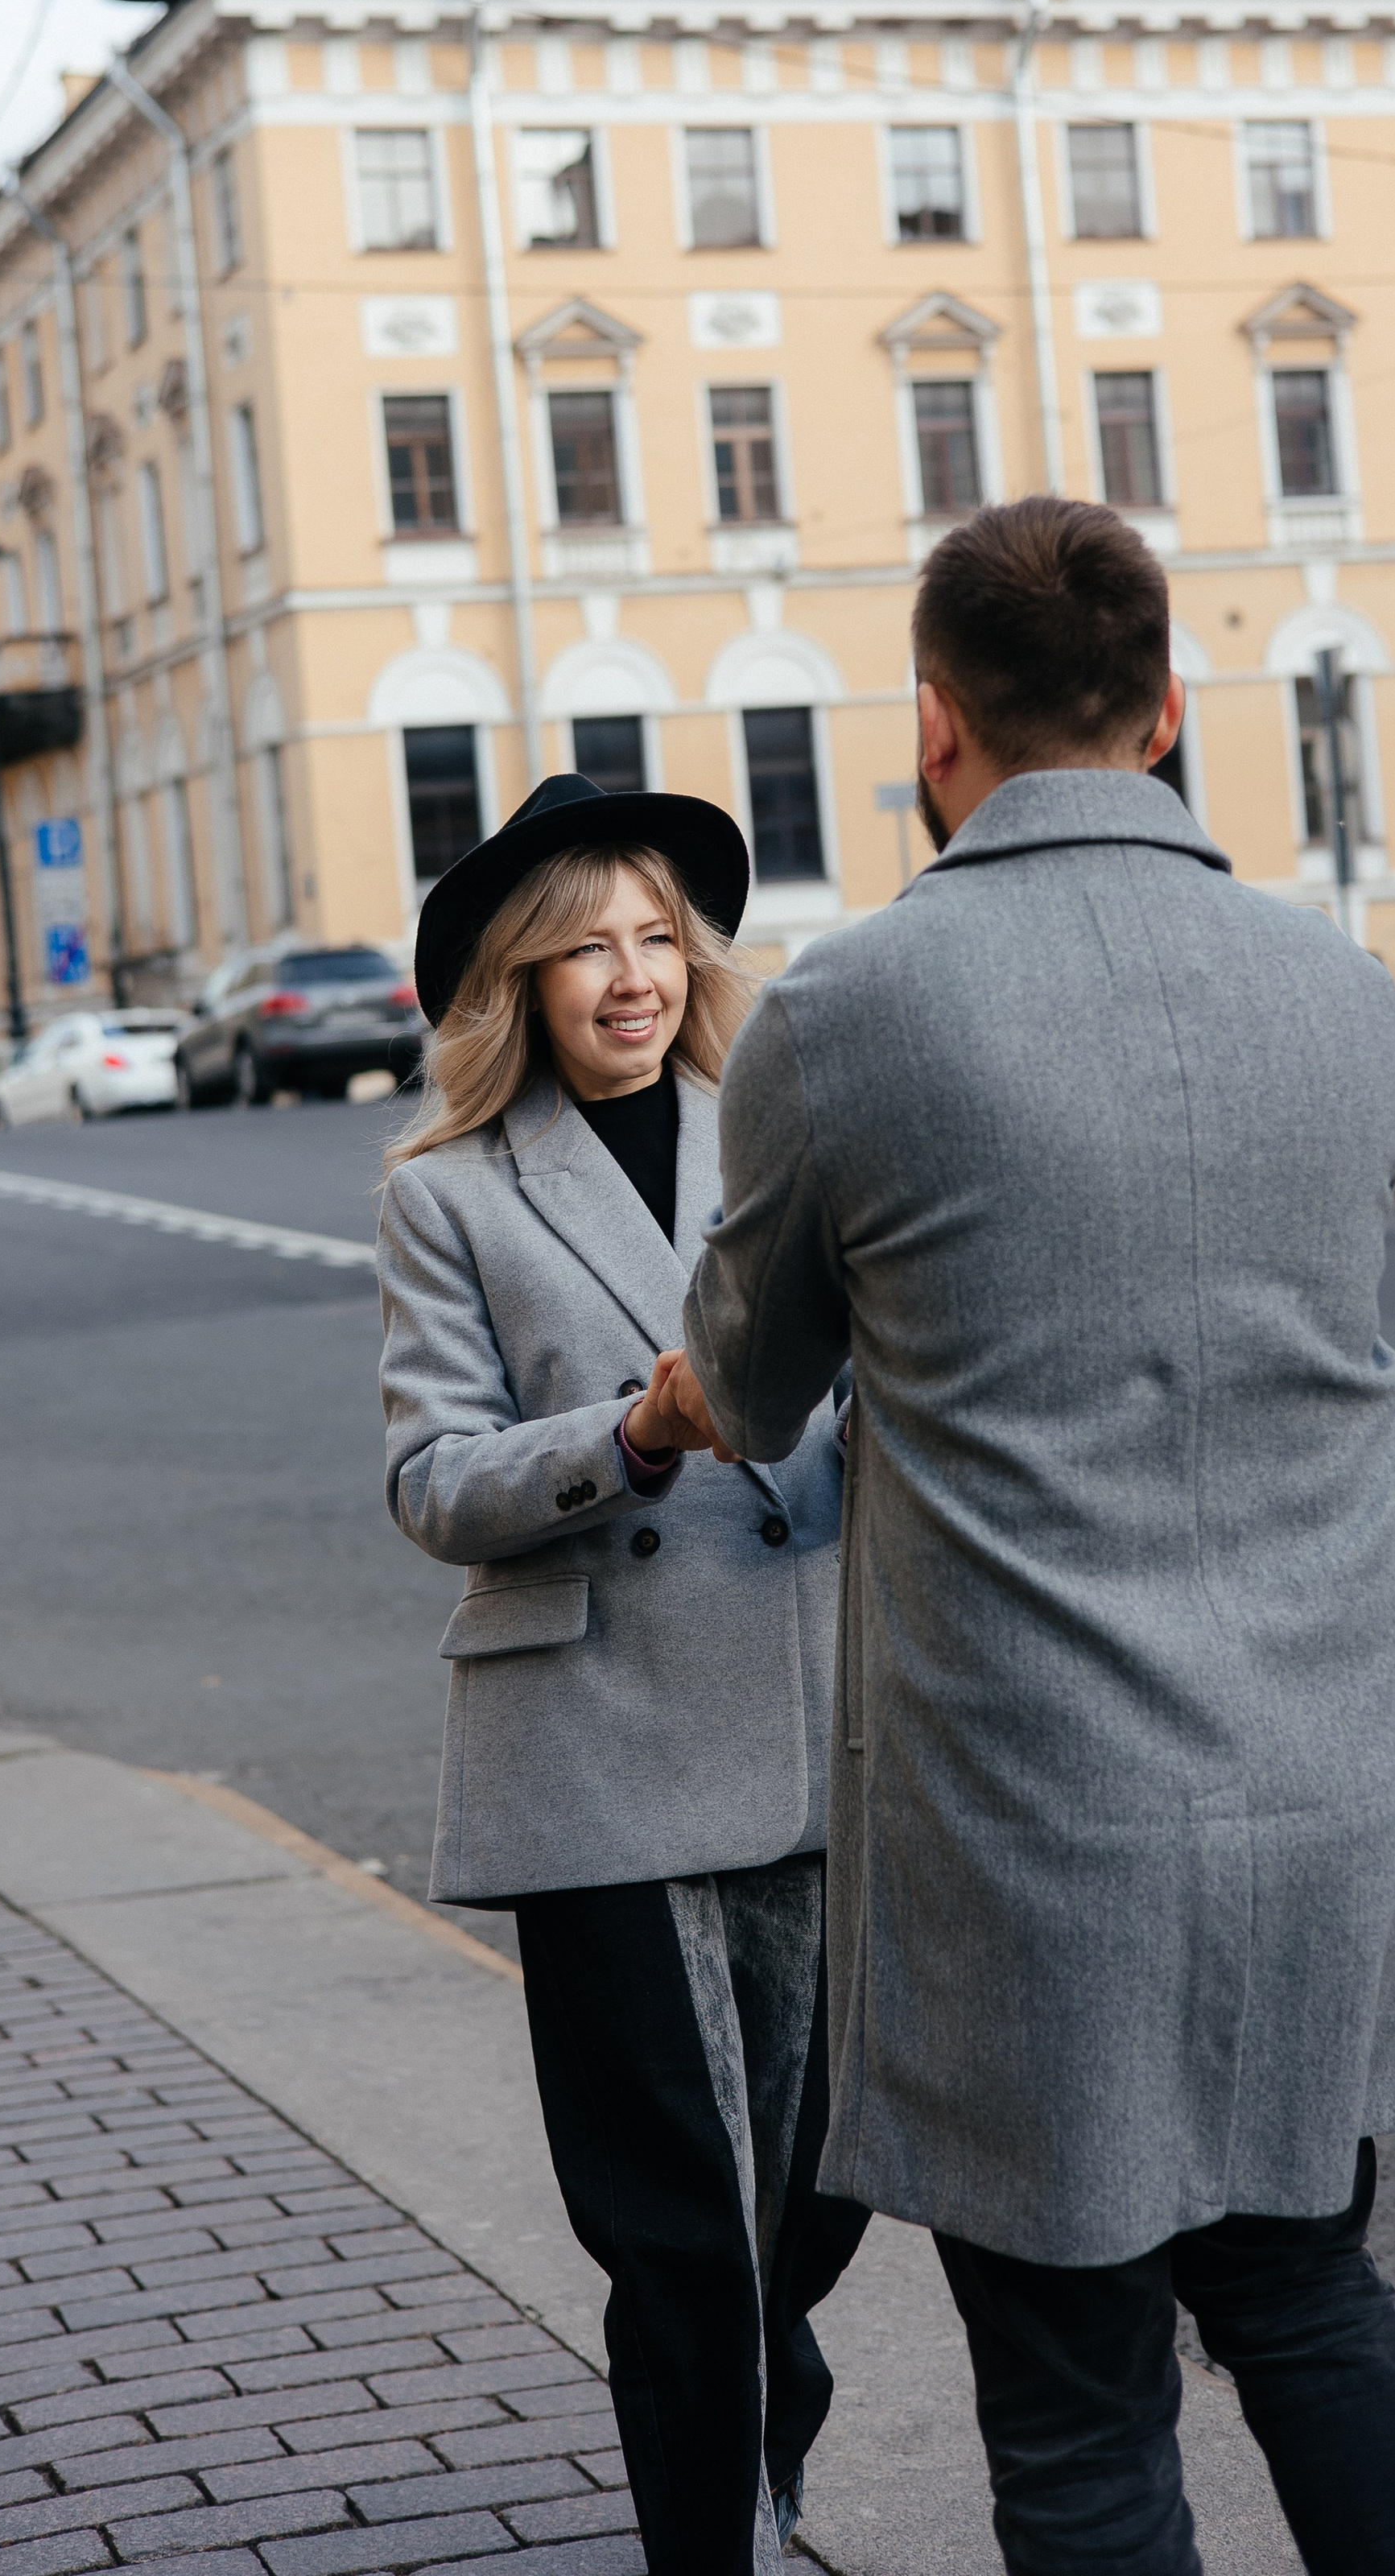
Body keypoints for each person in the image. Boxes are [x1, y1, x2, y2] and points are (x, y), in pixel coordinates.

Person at [647, 500, 1395, 2576]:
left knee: (1076, 2410)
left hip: (1034, 1824)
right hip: (1319, 1779)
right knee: (1307, 2303)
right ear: (1168, 708)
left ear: (929, 720)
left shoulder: (849, 1016)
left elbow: (745, 1389)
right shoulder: (1333, 990)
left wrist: (655, 1404)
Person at [375, 772, 864, 2576]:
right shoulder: (450, 1198)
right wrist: (633, 1434)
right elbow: (432, 1483)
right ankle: (708, 2532)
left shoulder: (787, 1136)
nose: (631, 975)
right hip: (595, 1745)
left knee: (803, 2208)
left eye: (657, 935)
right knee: (676, 2235)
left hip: (813, 1726)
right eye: (583, 946)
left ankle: (762, 2377)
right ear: (517, 980)